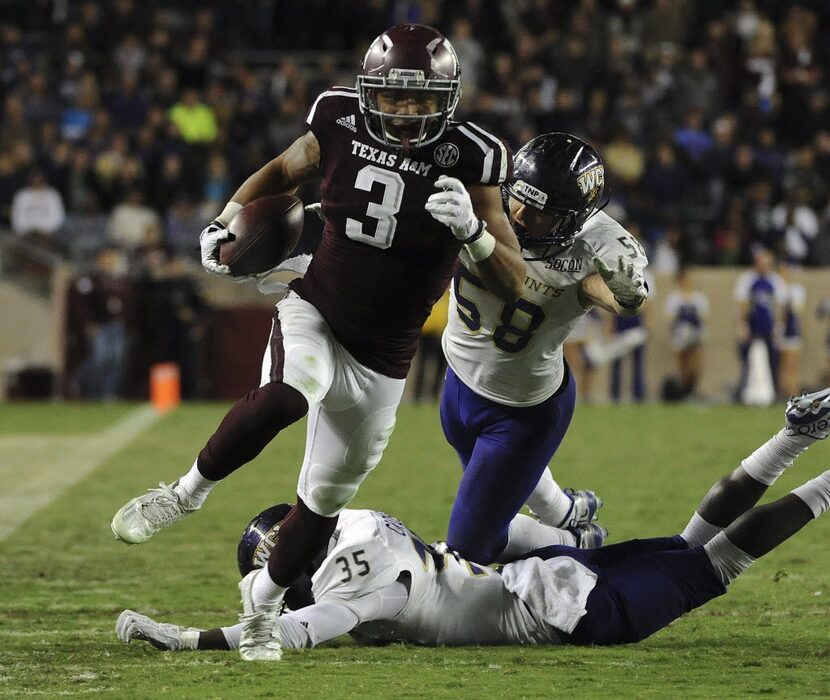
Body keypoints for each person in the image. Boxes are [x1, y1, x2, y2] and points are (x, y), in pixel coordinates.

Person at [110, 24, 525, 660]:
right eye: (391, 97)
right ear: (369, 93)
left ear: (447, 98)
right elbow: (281, 172)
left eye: (419, 101)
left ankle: (262, 614)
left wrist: (474, 233)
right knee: (287, 394)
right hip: (318, 307)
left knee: (323, 500)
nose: (404, 112)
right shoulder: (336, 119)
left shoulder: (475, 158)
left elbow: (515, 279)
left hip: (385, 358)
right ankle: (183, 494)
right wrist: (224, 224)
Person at [116, 388, 830, 658]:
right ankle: (795, 435)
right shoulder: (363, 525)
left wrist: (184, 638)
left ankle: (818, 471)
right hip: (544, 576)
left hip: (566, 612)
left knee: (717, 562)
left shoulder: (354, 588)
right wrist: (563, 538)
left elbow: (291, 631)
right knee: (689, 544)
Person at [439, 133, 648, 563]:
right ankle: (566, 510)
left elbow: (616, 297)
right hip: (456, 381)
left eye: (540, 212)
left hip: (521, 409)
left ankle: (575, 542)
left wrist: (622, 293)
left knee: (474, 546)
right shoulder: (483, 197)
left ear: (573, 218)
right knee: (492, 502)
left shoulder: (594, 244)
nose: (518, 214)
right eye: (518, 199)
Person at [734, 246, 785, 405]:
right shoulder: (748, 279)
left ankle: (774, 391)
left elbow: (779, 305)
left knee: (773, 360)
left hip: (768, 326)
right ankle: (743, 391)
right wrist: (743, 325)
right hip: (752, 325)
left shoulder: (775, 281)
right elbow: (743, 304)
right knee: (746, 359)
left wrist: (778, 326)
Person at [663, 266, 708, 400]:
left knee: (695, 363)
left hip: (694, 334)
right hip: (680, 334)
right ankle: (683, 392)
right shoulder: (674, 298)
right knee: (682, 363)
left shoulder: (699, 298)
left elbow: (703, 317)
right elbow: (670, 318)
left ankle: (692, 389)